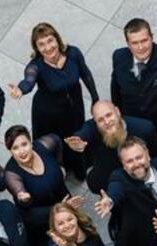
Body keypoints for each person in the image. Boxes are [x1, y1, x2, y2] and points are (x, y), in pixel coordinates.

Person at [8, 23, 98, 180]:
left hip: (74, 107)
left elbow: (86, 74)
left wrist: (95, 98)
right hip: (49, 115)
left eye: (50, 41)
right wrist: (21, 90)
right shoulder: (35, 65)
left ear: (57, 39)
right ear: (37, 48)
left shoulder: (73, 53)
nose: (48, 47)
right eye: (41, 44)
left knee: (76, 137)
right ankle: (58, 170)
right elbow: (29, 80)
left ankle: (78, 168)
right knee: (55, 143)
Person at [94, 136, 157, 246]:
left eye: (139, 157)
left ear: (148, 155)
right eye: (129, 161)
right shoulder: (119, 177)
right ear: (123, 166)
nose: (136, 164)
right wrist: (110, 200)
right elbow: (116, 187)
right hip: (140, 228)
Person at [3, 126, 80, 246]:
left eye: (24, 144)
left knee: (74, 232)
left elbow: (57, 140)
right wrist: (25, 200)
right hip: (41, 214)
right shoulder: (11, 175)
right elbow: (28, 211)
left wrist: (61, 165)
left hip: (61, 196)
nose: (22, 151)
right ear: (10, 151)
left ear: (31, 142)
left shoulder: (45, 145)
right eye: (15, 148)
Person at [65, 100, 157, 195]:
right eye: (100, 120)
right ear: (96, 123)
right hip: (109, 179)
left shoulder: (144, 129)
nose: (107, 122)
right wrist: (78, 139)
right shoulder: (94, 128)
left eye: (109, 115)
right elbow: (85, 131)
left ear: (117, 112)